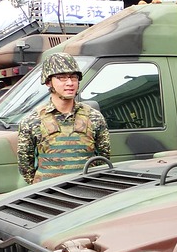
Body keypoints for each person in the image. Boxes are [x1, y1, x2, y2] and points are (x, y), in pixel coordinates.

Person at [16, 53, 110, 184]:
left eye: (74, 77)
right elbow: (26, 166)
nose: (70, 83)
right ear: (49, 82)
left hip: (87, 191)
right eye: (62, 78)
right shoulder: (32, 121)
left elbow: (103, 159)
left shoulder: (94, 117)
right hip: (49, 195)